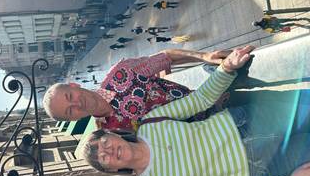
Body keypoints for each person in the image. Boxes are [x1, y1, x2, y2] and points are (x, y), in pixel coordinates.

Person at [81, 46, 310, 176]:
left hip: (246, 120)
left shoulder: (150, 124)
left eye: (104, 143)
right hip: (259, 166)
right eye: (103, 158)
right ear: (111, 170)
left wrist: (226, 68)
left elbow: (200, 100)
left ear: (112, 134)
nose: (108, 151)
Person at [42, 48, 231, 131]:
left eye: (70, 96)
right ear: (73, 119)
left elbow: (166, 57)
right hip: (215, 134)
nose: (76, 103)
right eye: (70, 110)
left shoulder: (121, 74)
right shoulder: (109, 134)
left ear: (74, 85)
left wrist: (205, 56)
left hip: (217, 97)